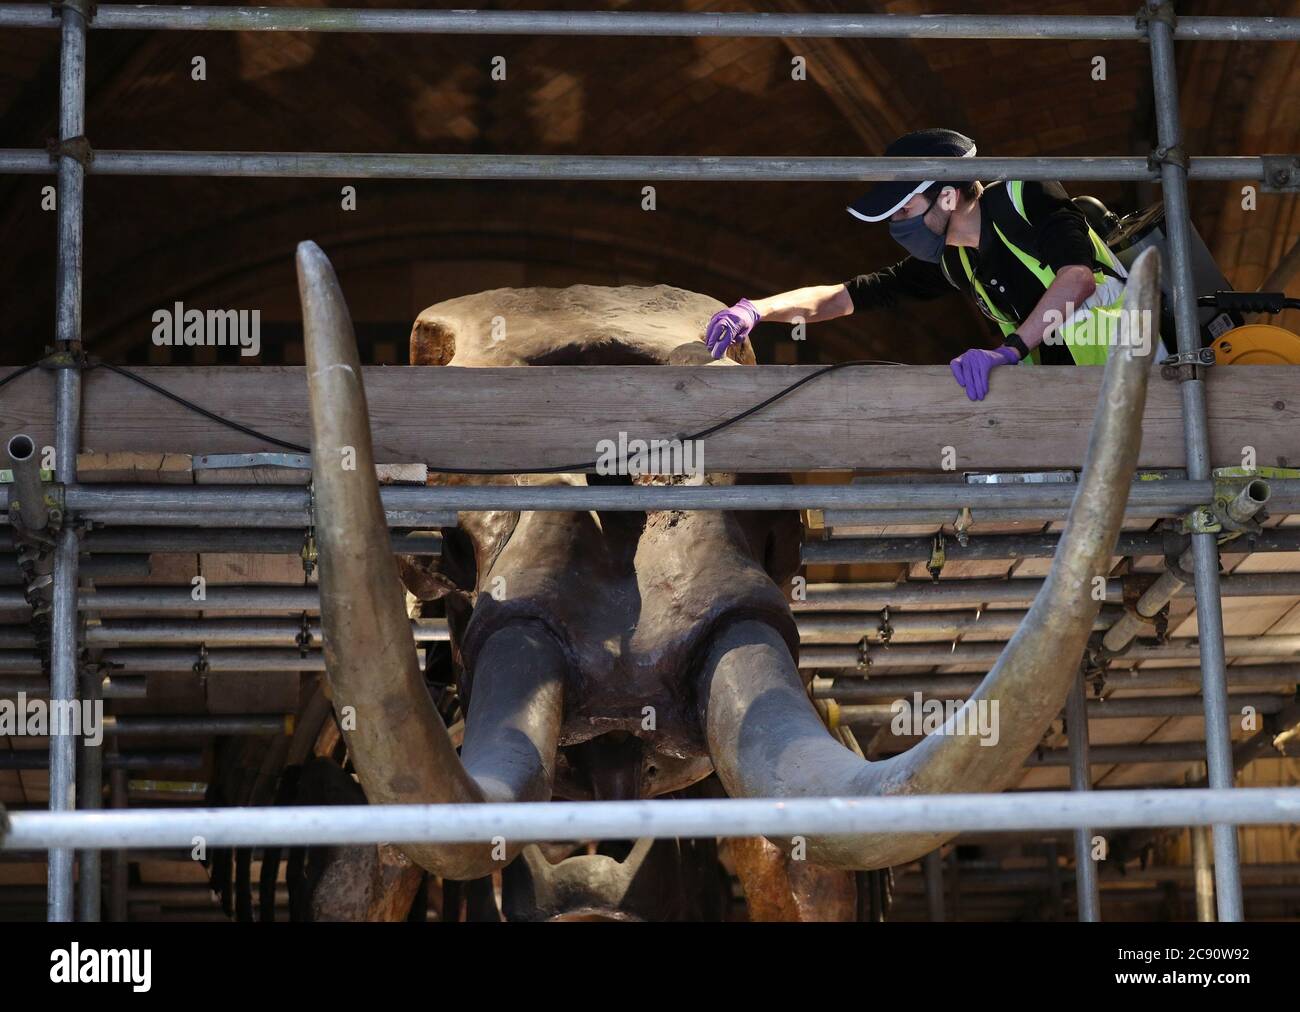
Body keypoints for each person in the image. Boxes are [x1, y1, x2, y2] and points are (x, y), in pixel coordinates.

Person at [704, 128, 1130, 401]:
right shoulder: (955, 260)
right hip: (1077, 397)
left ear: (947, 196)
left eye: (904, 212)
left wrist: (1008, 351)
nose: (896, 226)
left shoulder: (1025, 196)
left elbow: (1076, 280)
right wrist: (757, 310)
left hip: (1137, 377)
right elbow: (847, 296)